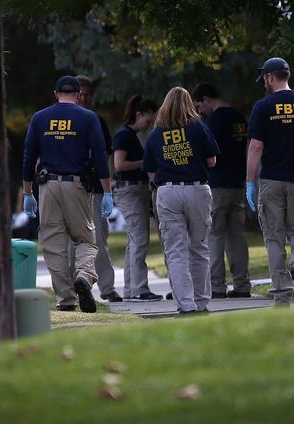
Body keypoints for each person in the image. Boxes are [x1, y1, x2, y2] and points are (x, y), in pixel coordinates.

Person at [23, 75, 113, 313]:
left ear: (56, 94)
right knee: (86, 239)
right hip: (77, 185)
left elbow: (29, 156)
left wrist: (27, 192)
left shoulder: (40, 118)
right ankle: (83, 275)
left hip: (47, 187)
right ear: (78, 94)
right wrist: (107, 191)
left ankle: (66, 299)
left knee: (54, 245)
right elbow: (100, 156)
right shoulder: (88, 118)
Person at [246, 57, 294, 305]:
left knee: (274, 238)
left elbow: (256, 147)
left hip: (272, 181)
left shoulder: (262, 107)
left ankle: (282, 297)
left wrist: (249, 183)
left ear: (269, 77)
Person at [143, 86, 219, 314]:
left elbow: (150, 171)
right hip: (197, 190)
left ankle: (185, 304)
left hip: (168, 192)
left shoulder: (156, 134)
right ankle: (202, 301)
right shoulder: (198, 128)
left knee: (176, 251)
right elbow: (212, 161)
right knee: (199, 248)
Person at [192, 82, 251, 298]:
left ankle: (216, 286)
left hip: (217, 184)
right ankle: (242, 285)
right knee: (237, 236)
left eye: (198, 106)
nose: (199, 112)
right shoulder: (238, 117)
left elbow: (206, 154)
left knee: (214, 235)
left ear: (207, 99)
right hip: (238, 183)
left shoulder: (213, 122)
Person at [66, 75, 122, 303]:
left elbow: (107, 155)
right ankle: (74, 286)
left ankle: (107, 287)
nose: (84, 99)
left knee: (99, 237)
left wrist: (108, 186)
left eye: (88, 95)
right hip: (72, 185)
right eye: (81, 94)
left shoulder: (97, 120)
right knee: (74, 239)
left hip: (96, 187)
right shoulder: (65, 119)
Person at [113, 95, 162, 301]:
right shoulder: (124, 134)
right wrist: (145, 162)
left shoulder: (131, 135)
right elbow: (119, 165)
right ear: (138, 115)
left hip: (137, 189)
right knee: (140, 239)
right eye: (148, 121)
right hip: (129, 190)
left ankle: (131, 289)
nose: (149, 125)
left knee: (134, 240)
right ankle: (140, 289)